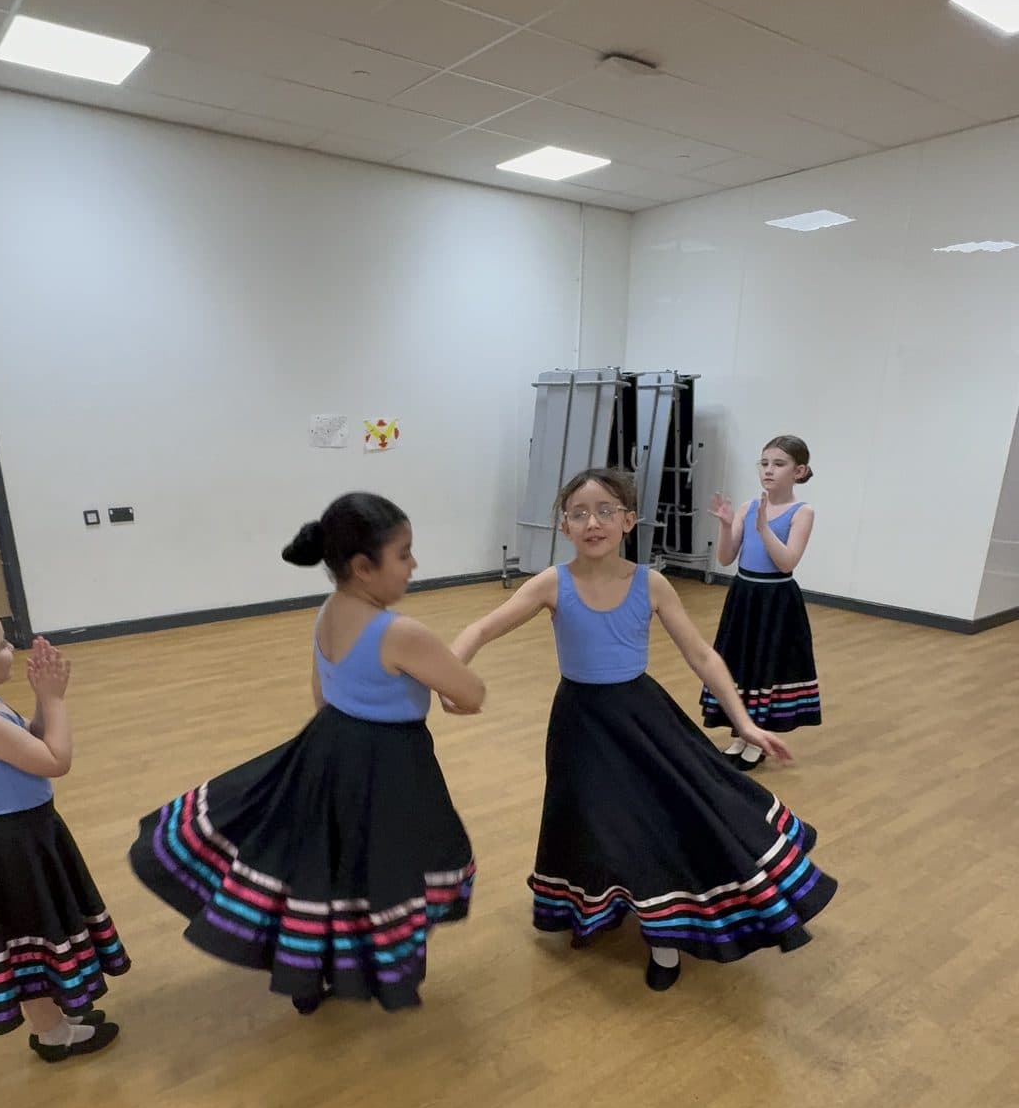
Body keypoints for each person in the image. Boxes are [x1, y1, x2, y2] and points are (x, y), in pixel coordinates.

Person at [450, 468, 836, 992]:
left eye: (606, 510)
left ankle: (665, 938)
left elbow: (700, 654)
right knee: (588, 819)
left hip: (642, 718)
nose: (593, 522)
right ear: (564, 526)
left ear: (629, 521)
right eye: (579, 513)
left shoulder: (650, 583)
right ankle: (593, 909)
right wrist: (451, 671)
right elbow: (481, 627)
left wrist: (744, 722)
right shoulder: (551, 583)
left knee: (649, 822)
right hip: (580, 724)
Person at [128, 494, 484, 1016]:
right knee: (381, 868)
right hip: (388, 765)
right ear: (364, 567)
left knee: (323, 864)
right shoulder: (401, 632)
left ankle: (306, 976)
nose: (414, 566)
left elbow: (322, 693)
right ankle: (369, 969)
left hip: (326, 749)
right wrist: (456, 659)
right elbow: (471, 693)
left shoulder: (329, 611)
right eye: (404, 554)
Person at [0, 601, 127, 1061]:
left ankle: (58, 1018)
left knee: (41, 935)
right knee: (29, 946)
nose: (12, 648)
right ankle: (51, 1034)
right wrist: (55, 699)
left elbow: (34, 742)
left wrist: (43, 702)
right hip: (15, 847)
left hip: (27, 836)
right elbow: (55, 761)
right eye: (1, 645)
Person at [704, 435, 821, 770]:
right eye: (765, 463)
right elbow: (726, 558)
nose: (768, 470)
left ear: (798, 471)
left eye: (778, 464)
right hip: (744, 596)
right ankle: (741, 732)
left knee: (767, 666)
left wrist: (765, 528)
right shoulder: (748, 506)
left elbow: (787, 562)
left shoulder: (803, 512)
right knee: (740, 664)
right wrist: (727, 526)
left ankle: (761, 733)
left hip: (776, 601)